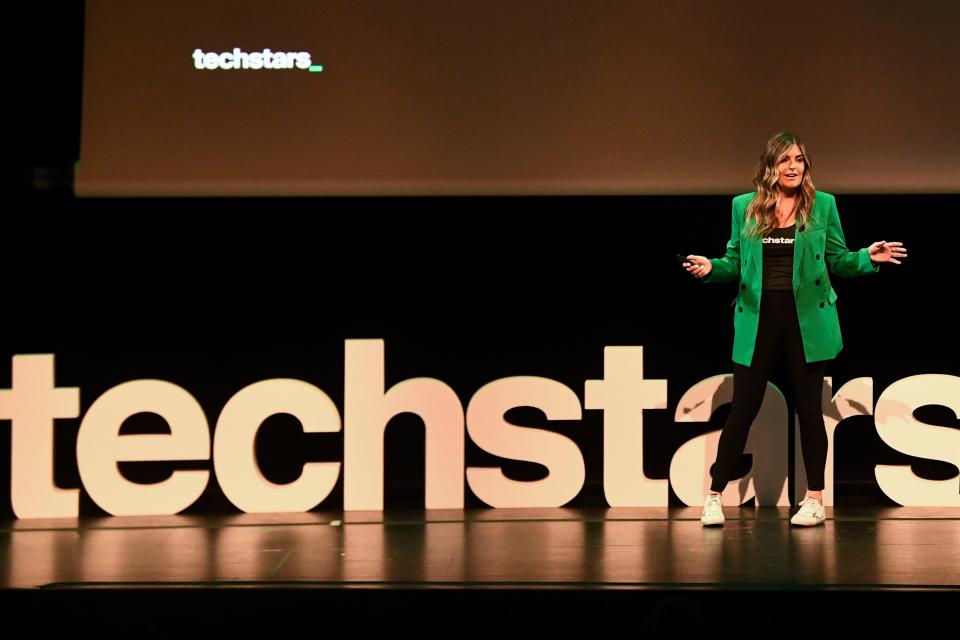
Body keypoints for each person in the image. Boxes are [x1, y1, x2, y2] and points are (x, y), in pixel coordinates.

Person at [682, 131, 907, 527]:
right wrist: (711, 268)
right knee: (742, 411)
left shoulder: (823, 205)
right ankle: (714, 497)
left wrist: (866, 257)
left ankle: (815, 500)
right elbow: (733, 262)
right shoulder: (744, 207)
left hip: (806, 322)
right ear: (770, 165)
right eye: (785, 159)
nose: (793, 166)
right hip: (758, 319)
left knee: (808, 411)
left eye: (799, 159)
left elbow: (837, 259)